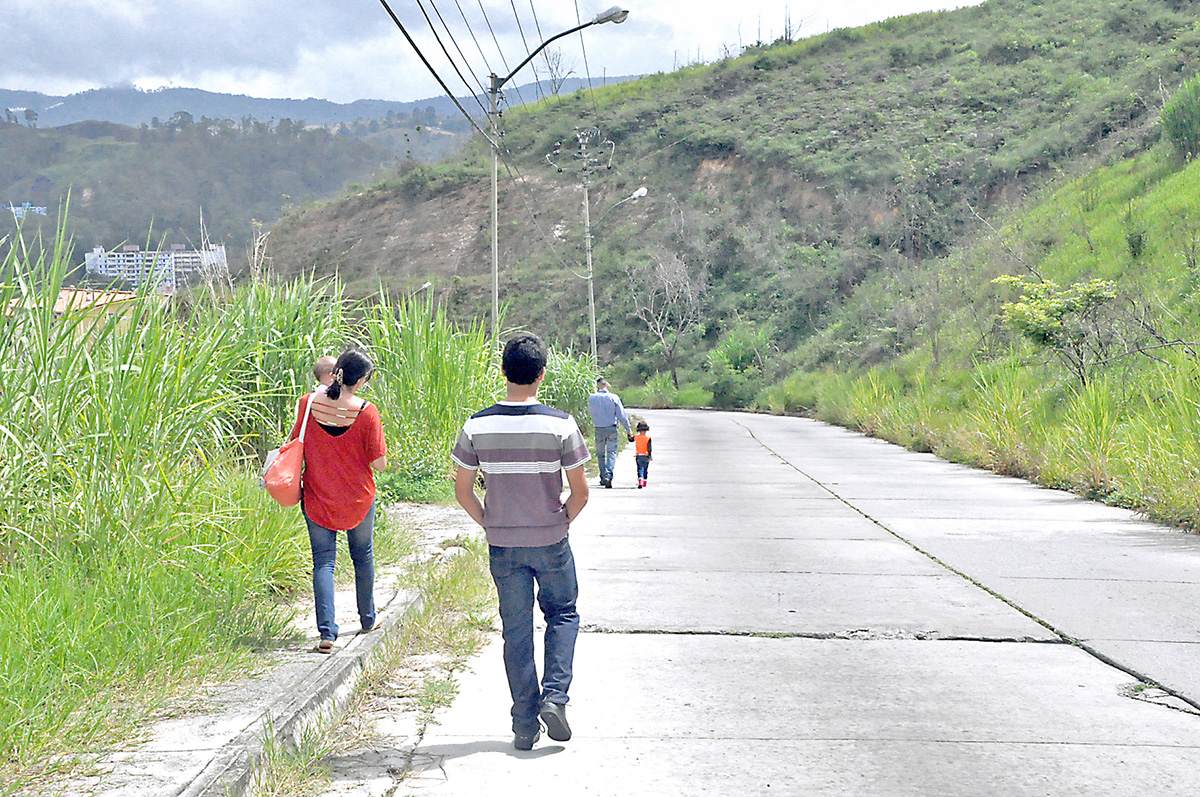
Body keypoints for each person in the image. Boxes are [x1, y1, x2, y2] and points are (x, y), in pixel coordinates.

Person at [451, 333, 590, 751]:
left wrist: (490, 522)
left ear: (503, 372)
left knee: (516, 631)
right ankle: (556, 698)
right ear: (542, 374)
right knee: (563, 614)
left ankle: (524, 724)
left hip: (503, 545)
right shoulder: (561, 424)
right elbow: (580, 491)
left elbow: (462, 490)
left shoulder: (476, 425)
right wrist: (559, 521)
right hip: (551, 541)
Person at [289, 347, 388, 654]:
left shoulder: (308, 404)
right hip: (357, 498)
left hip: (318, 495)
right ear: (361, 381)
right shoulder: (366, 411)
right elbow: (380, 464)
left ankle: (327, 634)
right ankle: (368, 618)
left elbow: (295, 442)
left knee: (324, 562)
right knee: (363, 557)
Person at [587, 377, 631, 488]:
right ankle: (608, 476)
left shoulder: (592, 398)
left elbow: (591, 412)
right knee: (611, 453)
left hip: (598, 428)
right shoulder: (614, 398)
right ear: (607, 385)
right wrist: (628, 430)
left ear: (597, 386)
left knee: (600, 454)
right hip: (611, 428)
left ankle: (602, 477)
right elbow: (621, 415)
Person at [633, 420, 652, 489]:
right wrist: (650, 456)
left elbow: (630, 439)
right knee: (645, 469)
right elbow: (649, 448)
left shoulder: (636, 437)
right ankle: (644, 481)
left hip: (639, 455)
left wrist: (628, 434)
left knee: (640, 469)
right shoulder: (648, 438)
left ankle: (640, 480)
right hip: (646, 456)